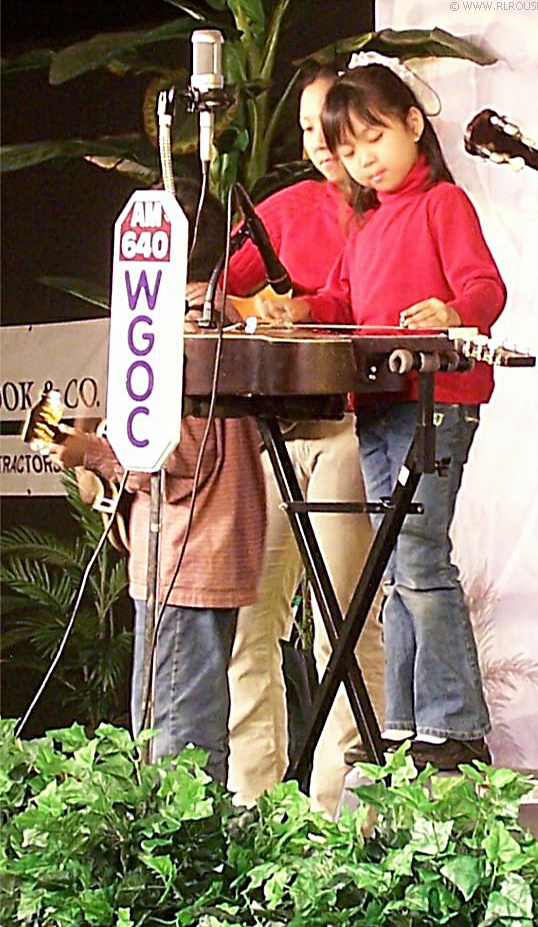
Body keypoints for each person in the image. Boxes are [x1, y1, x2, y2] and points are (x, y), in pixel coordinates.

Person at [258, 61, 507, 771]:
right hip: (377, 407)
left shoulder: (441, 206)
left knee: (422, 560)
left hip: (435, 402)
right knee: (396, 569)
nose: (365, 158)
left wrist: (452, 312)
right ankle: (403, 722)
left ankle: (452, 725)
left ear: (411, 123)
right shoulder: (364, 219)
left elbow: (484, 287)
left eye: (374, 137)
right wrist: (301, 309)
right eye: (351, 150)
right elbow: (343, 301)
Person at [47, 178, 267, 784]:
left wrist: (92, 452)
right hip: (195, 553)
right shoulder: (209, 316)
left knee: (177, 738)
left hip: (188, 557)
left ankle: (190, 867)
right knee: (175, 722)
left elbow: (178, 456)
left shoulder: (186, 327)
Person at [225, 62, 385, 816]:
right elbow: (214, 293)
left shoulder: (386, 213)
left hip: (348, 431)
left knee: (345, 625)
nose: (322, 143)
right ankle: (251, 801)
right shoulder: (282, 208)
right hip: (265, 439)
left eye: (335, 126)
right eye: (310, 129)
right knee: (250, 620)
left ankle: (338, 807)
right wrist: (255, 305)